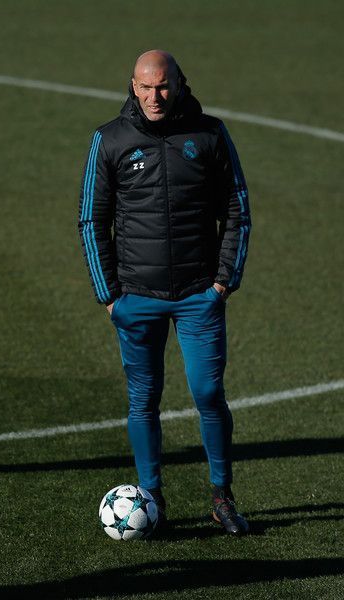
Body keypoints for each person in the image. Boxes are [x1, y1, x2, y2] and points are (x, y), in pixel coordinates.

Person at [78, 50, 251, 535]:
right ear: (133, 86)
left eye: (164, 86)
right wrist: (109, 295)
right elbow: (92, 219)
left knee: (208, 392)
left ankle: (222, 496)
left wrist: (222, 283)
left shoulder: (210, 134)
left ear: (179, 83)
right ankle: (151, 499)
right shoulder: (109, 140)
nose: (155, 97)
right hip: (137, 298)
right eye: (145, 87)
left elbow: (238, 209)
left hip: (200, 295)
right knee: (143, 400)